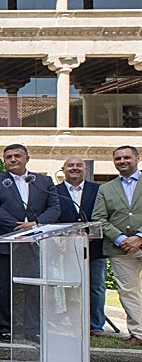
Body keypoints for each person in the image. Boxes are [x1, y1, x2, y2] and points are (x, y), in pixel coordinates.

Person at [0, 144, 60, 343]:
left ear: (27, 158)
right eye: (8, 157)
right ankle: (6, 328)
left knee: (33, 287)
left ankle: (32, 329)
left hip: (34, 243)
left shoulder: (43, 181)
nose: (13, 159)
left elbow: (54, 207)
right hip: (4, 243)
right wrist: (19, 226)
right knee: (3, 287)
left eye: (17, 156)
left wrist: (36, 225)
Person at [91, 146, 142, 346]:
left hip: (139, 241)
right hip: (120, 248)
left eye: (126, 157)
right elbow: (99, 219)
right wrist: (121, 239)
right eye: (118, 158)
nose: (122, 161)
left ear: (138, 158)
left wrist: (139, 237)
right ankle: (138, 334)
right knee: (128, 291)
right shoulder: (106, 188)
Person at [56, 156, 107, 336]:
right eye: (70, 165)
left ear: (85, 169)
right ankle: (71, 320)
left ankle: (95, 325)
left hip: (94, 248)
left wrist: (90, 234)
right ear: (63, 169)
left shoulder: (99, 189)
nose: (74, 168)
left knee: (96, 286)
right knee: (69, 285)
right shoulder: (54, 191)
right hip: (65, 248)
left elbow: (104, 214)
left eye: (79, 165)